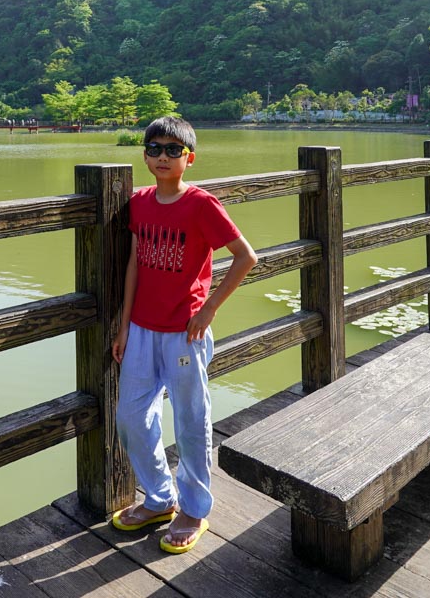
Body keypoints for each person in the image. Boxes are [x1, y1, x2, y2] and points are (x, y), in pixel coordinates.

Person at [110, 116, 258, 554]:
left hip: (184, 334)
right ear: (144, 155)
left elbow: (245, 257)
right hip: (140, 330)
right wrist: (123, 326)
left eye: (173, 150)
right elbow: (136, 263)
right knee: (132, 417)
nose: (162, 156)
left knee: (191, 421)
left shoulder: (201, 205)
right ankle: (159, 499)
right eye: (154, 148)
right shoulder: (139, 202)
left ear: (188, 159)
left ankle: (194, 508)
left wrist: (209, 309)